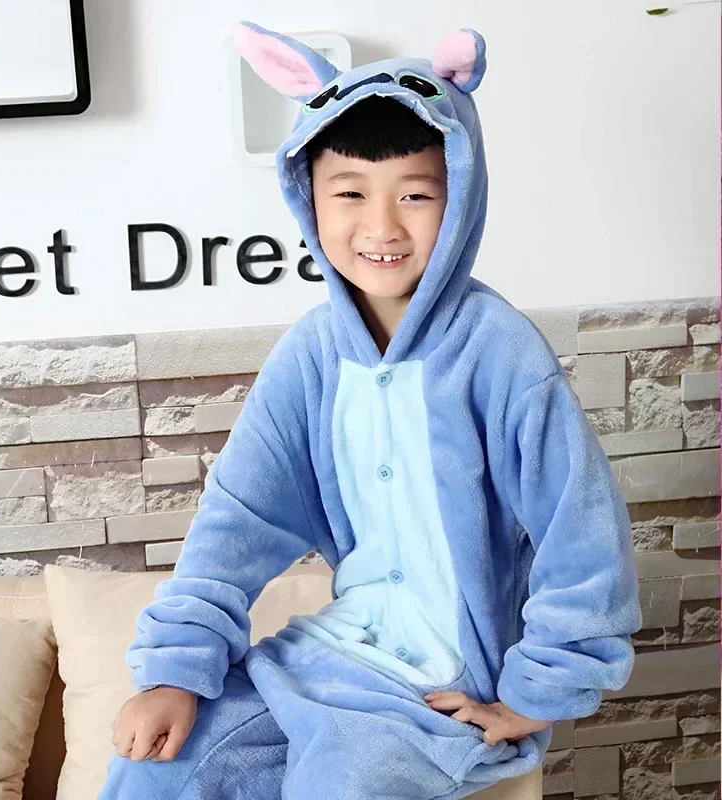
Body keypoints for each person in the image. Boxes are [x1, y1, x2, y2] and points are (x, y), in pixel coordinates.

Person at [98, 20, 642, 799]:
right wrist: (176, 672)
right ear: (308, 199)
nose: (382, 227)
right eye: (350, 193)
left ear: (460, 198)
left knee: (344, 784)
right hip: (325, 657)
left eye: (415, 195)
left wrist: (538, 692)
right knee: (155, 771)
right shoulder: (310, 356)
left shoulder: (500, 352)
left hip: (441, 684)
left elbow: (580, 532)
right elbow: (235, 522)